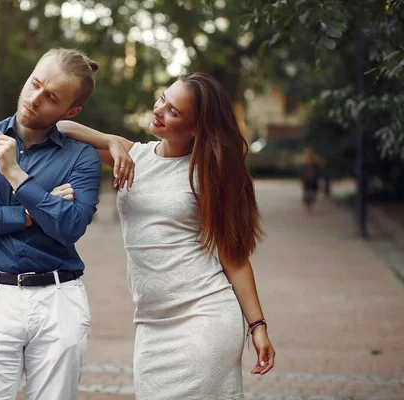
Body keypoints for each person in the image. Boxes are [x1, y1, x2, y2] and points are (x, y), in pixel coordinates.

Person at [57, 72, 276, 399]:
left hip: (203, 318)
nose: (158, 110)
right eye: (162, 99)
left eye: (173, 111)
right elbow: (61, 130)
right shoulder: (134, 156)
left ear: (196, 128)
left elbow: (234, 257)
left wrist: (257, 326)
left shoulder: (208, 174)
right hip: (150, 325)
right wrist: (112, 142)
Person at [0, 48, 101, 400]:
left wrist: (14, 173)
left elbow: (71, 225)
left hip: (61, 301)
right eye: (35, 83)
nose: (35, 98)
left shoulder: (81, 157)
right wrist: (32, 212)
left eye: (52, 97)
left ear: (70, 111)